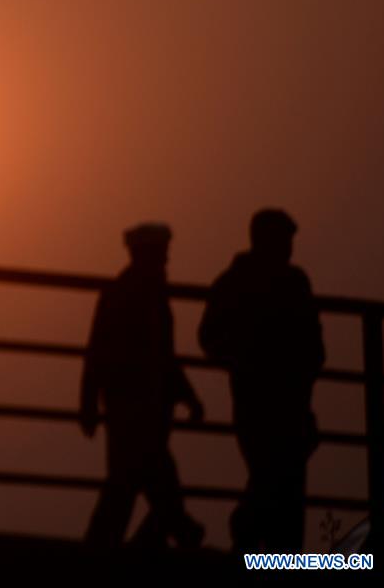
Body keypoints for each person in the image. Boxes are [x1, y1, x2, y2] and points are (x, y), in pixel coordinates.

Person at [198, 208, 324, 552]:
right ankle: (252, 534)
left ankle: (255, 539)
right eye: (284, 240)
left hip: (282, 403)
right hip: (264, 402)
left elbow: (314, 347)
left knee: (279, 483)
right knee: (278, 480)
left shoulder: (266, 282)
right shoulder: (259, 282)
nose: (289, 248)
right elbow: (210, 338)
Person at [80, 223, 205, 549]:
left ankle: (106, 550)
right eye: (160, 251)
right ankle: (180, 533)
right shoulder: (130, 295)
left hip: (142, 408)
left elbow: (163, 355)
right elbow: (101, 351)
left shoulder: (143, 295)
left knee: (129, 484)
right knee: (147, 482)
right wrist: (89, 402)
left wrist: (186, 395)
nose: (165, 258)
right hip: (134, 409)